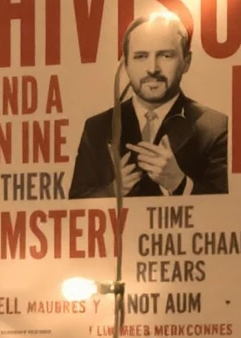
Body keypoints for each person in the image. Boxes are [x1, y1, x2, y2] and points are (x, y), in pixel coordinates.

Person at [67, 10, 229, 198]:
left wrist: (179, 183)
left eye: (166, 56)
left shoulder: (215, 127)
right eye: (141, 56)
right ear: (125, 64)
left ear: (186, 62)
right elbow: (75, 204)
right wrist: (112, 191)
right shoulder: (97, 127)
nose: (152, 69)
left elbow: (230, 210)